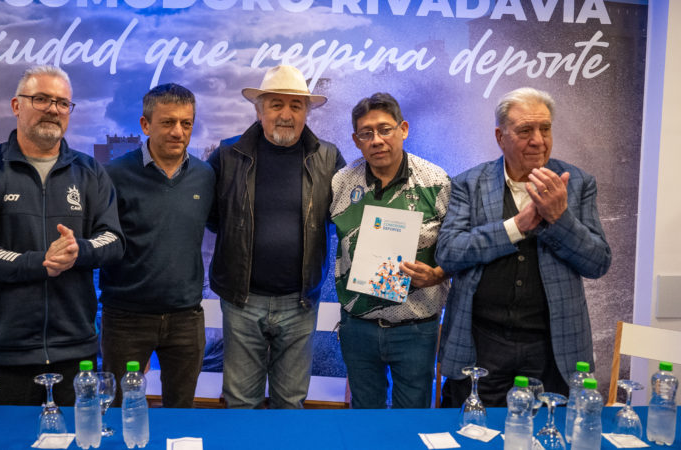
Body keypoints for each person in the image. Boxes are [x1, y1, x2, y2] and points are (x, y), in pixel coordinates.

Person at [0, 65, 124, 406]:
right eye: (41, 99)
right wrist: (39, 262)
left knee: (78, 442)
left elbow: (114, 240)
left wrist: (78, 251)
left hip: (76, 351)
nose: (53, 109)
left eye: (62, 103)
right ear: (17, 105)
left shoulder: (90, 172)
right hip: (3, 352)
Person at [436, 87, 611, 407]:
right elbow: (448, 252)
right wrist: (517, 227)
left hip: (553, 346)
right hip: (481, 342)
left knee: (547, 434)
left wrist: (560, 219)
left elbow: (597, 262)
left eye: (545, 129)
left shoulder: (579, 183)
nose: (538, 140)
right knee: (473, 431)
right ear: (500, 136)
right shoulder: (468, 183)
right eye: (526, 130)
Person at [207, 65, 345, 409]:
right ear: (259, 110)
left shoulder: (328, 158)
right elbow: (210, 219)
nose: (286, 114)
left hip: (299, 303)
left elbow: (346, 219)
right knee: (240, 402)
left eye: (296, 106)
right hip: (242, 301)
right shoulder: (227, 155)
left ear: (307, 113)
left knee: (291, 402)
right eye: (276, 104)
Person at [330, 93, 450, 408]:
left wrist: (439, 274)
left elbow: (458, 248)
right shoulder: (340, 184)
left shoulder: (437, 183)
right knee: (364, 420)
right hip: (358, 328)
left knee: (411, 421)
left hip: (416, 328)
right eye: (366, 133)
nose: (377, 140)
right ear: (356, 140)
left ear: (403, 129)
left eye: (385, 129)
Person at [99, 83, 214, 408]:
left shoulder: (205, 176)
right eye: (168, 122)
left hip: (186, 318)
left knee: (181, 413)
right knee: (119, 411)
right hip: (125, 318)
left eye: (186, 123)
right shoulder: (114, 174)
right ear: (145, 125)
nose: (178, 131)